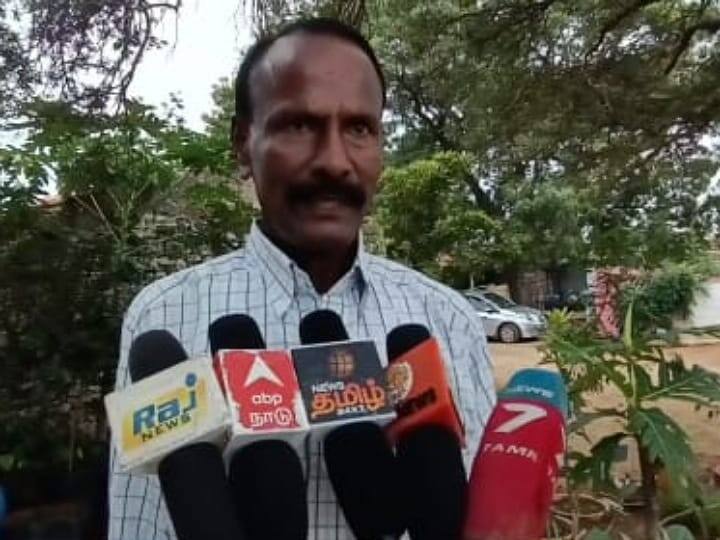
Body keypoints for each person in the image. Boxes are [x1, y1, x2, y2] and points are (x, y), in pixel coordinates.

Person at [108, 17, 496, 540]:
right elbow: (140, 525)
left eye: (359, 128)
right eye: (298, 125)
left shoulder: (447, 318)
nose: (335, 162)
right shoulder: (163, 316)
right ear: (244, 144)